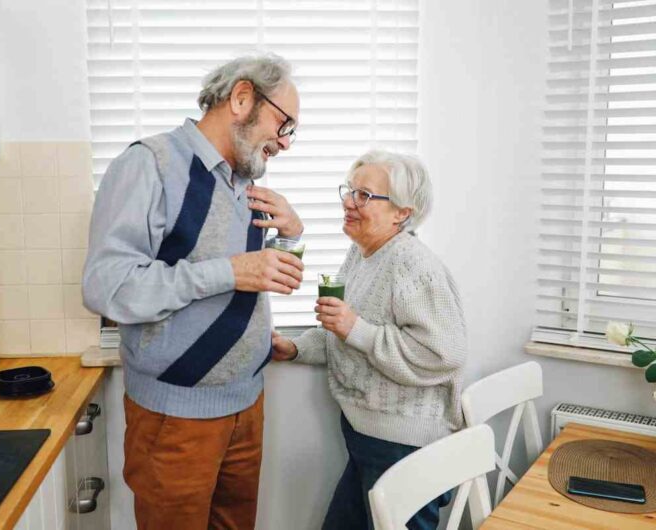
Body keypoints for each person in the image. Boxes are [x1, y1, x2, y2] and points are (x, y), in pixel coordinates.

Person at [82, 54, 304, 530]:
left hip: (246, 404)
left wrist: (292, 234)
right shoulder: (150, 164)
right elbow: (107, 286)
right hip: (174, 420)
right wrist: (227, 272)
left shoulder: (243, 182)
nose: (285, 143)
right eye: (283, 124)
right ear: (242, 98)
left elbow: (256, 279)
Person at [272, 150, 467, 530]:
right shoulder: (362, 253)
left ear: (402, 213)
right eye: (349, 191)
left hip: (403, 444)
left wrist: (354, 328)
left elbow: (445, 353)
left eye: (365, 195)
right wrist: (296, 348)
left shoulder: (413, 265)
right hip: (367, 433)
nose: (349, 202)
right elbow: (343, 333)